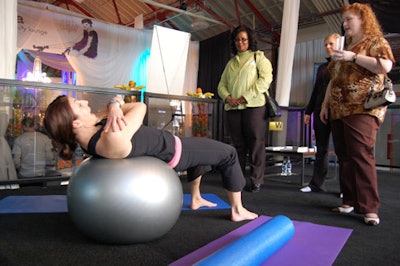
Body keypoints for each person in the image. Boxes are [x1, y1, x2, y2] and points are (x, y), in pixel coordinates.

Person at [43, 95, 258, 222]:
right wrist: (114, 105)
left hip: (171, 146)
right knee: (228, 153)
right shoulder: (112, 137)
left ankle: (195, 198)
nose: (84, 101)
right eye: (79, 105)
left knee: (203, 151)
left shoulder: (90, 138)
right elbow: (140, 107)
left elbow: (110, 108)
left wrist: (112, 106)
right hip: (175, 152)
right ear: (75, 124)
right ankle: (238, 210)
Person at [320, 3, 395, 226]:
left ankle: (370, 208)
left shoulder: (375, 41)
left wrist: (353, 57)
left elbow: (386, 66)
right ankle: (349, 200)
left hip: (363, 107)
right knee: (344, 156)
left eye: (349, 19)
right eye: (344, 20)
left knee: (361, 154)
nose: (345, 24)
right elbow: (333, 80)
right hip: (339, 109)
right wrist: (325, 105)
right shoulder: (345, 47)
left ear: (363, 19)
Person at [217, 25, 273, 192]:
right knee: (238, 145)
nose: (240, 42)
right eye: (237, 39)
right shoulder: (231, 63)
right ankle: (238, 179)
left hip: (254, 106)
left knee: (256, 143)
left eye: (243, 39)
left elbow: (265, 80)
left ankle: (256, 180)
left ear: (250, 41)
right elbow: (221, 85)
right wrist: (228, 97)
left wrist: (245, 97)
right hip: (233, 108)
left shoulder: (259, 57)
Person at [300, 33, 340, 193]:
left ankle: (346, 189)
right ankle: (316, 184)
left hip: (338, 112)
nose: (328, 47)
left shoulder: (345, 65)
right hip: (319, 111)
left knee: (342, 152)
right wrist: (308, 112)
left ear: (340, 44)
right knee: (321, 149)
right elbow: (316, 90)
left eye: (331, 44)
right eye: (326, 44)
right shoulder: (323, 68)